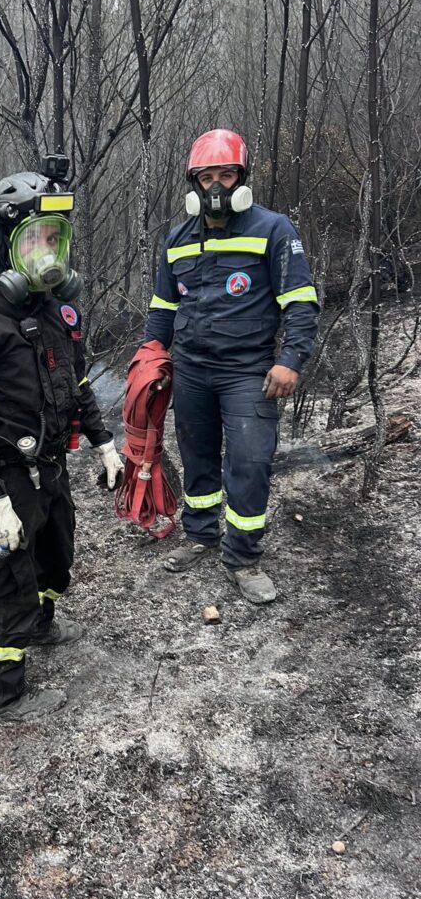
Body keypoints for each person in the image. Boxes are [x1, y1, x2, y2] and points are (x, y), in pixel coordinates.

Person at [0, 161, 123, 722]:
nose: (47, 249)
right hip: (4, 473)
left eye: (54, 237)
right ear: (4, 244)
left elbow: (77, 382)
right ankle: (4, 693)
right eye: (34, 237)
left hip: (51, 465)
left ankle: (41, 626)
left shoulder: (59, 310)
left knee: (55, 558)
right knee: (9, 582)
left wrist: (103, 441)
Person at [145, 129, 319, 603]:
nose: (216, 186)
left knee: (249, 462)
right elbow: (163, 307)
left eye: (227, 175)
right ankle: (201, 535)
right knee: (197, 456)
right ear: (193, 183)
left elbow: (301, 302)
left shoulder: (273, 230)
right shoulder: (177, 239)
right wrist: (151, 356)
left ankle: (242, 555)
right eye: (207, 177)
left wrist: (291, 361)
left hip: (248, 372)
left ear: (242, 179)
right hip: (192, 370)